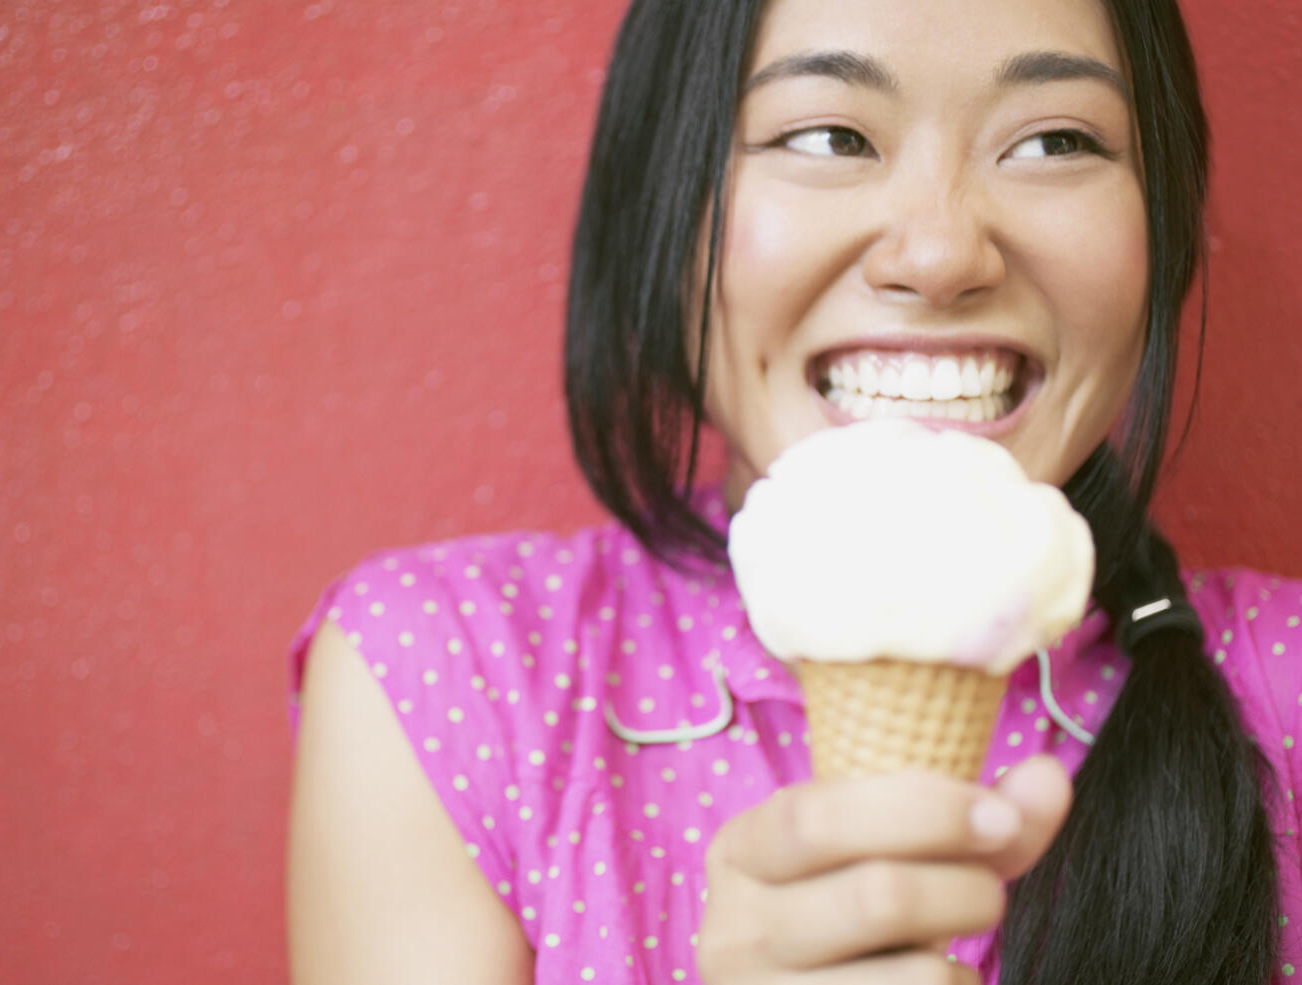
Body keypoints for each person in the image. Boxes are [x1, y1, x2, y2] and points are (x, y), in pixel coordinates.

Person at [286, 0, 1301, 982]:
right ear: (663, 209)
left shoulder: (1283, 686)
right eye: (827, 136)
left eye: (1051, 143)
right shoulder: (452, 670)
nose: (940, 254)